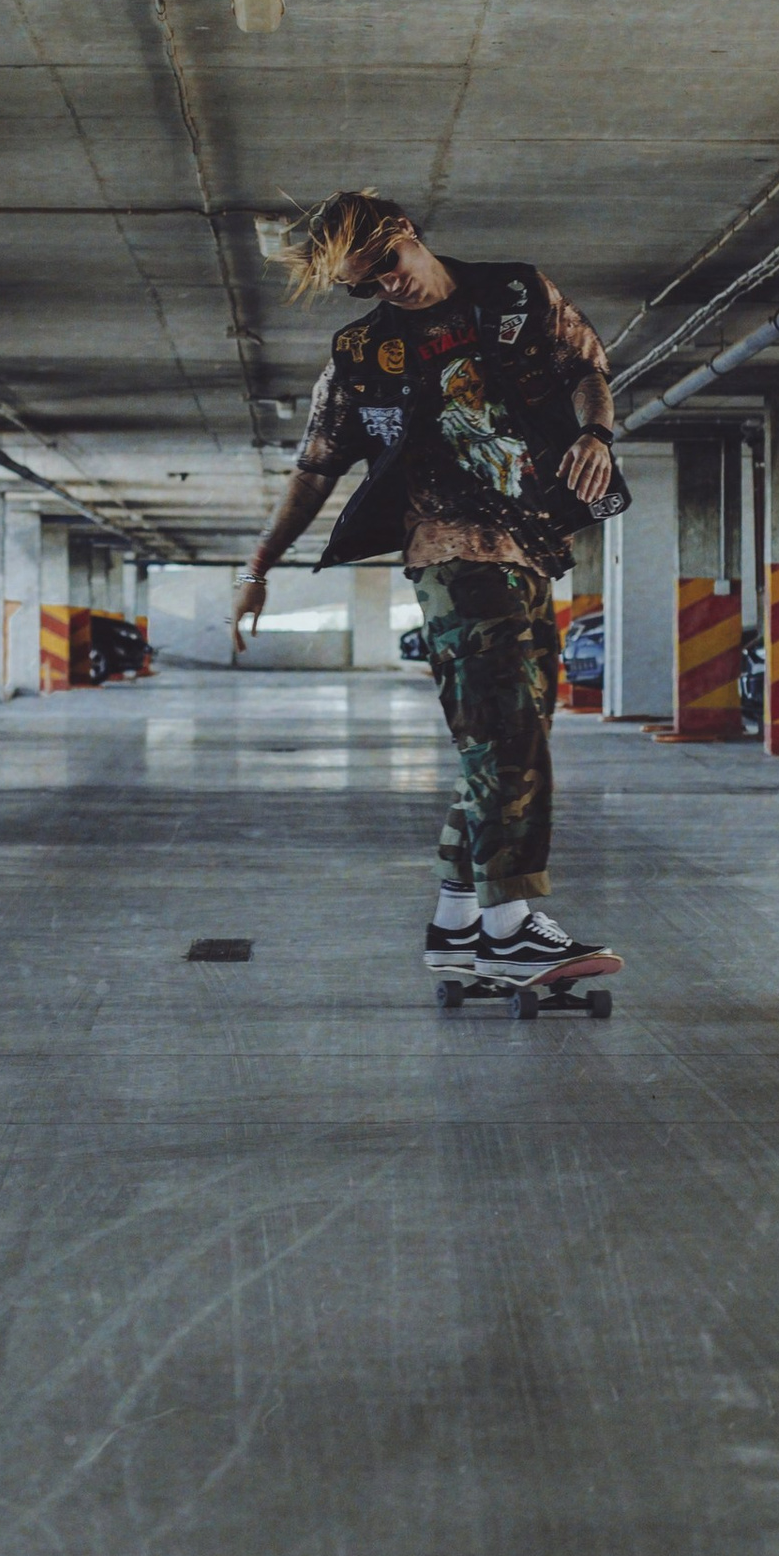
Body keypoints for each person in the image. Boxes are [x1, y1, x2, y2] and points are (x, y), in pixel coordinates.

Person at [230, 191, 625, 989]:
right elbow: (314, 468)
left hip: (529, 547)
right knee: (506, 734)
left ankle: (455, 924)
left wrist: (596, 432)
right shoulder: (361, 354)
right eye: (363, 284)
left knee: (506, 740)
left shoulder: (516, 293)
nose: (386, 286)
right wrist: (258, 567)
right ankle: (510, 929)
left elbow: (588, 367)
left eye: (387, 265)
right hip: (450, 551)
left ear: (406, 233)